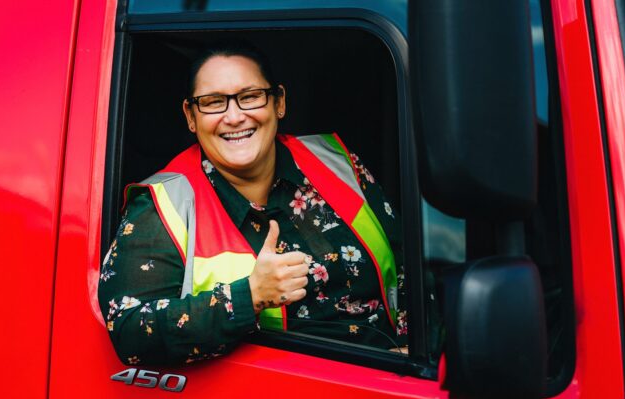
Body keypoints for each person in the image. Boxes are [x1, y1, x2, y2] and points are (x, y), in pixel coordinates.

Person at [98, 41, 407, 366]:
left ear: (279, 103)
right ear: (191, 116)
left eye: (250, 96)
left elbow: (406, 268)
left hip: (386, 379)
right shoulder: (163, 204)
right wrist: (251, 296)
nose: (234, 117)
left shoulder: (337, 161)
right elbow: (129, 329)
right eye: (214, 102)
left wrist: (413, 353)